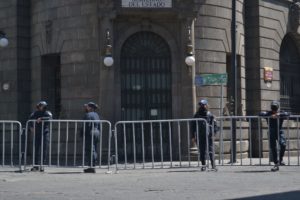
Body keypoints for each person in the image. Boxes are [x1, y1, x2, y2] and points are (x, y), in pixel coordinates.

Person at [259, 100, 290, 172]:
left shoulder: (281, 112)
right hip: (271, 132)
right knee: (273, 147)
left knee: (283, 144)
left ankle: (281, 159)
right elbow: (260, 114)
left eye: (275, 108)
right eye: (273, 108)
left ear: (277, 108)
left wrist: (279, 115)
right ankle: (276, 163)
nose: (274, 110)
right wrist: (270, 116)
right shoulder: (268, 113)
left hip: (279, 131)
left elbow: (288, 114)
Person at [191, 99, 218, 171]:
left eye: (203, 105)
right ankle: (203, 165)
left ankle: (213, 166)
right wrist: (193, 136)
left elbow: (215, 125)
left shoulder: (210, 115)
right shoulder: (197, 115)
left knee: (211, 150)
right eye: (201, 105)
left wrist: (214, 134)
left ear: (206, 105)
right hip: (200, 135)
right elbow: (192, 126)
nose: (202, 106)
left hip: (209, 135)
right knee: (202, 151)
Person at [29, 101, 52, 172]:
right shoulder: (35, 113)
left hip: (45, 133)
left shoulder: (47, 113)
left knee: (44, 149)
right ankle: (36, 165)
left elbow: (50, 118)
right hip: (37, 134)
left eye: (43, 106)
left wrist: (41, 119)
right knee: (36, 149)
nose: (42, 107)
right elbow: (30, 120)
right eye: (41, 106)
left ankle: (42, 165)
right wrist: (31, 127)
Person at [81, 102, 101, 173]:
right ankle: (93, 165)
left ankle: (91, 167)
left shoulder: (88, 115)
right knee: (94, 149)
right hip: (97, 132)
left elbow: (86, 125)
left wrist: (82, 134)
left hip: (90, 133)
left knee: (90, 150)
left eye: (87, 107)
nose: (86, 108)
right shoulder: (96, 115)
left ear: (90, 108)